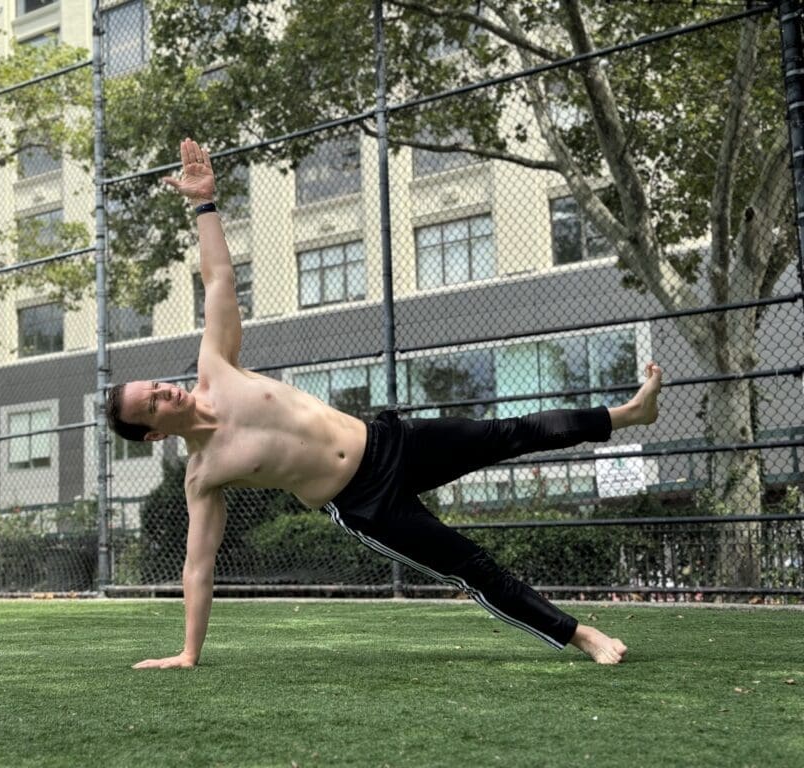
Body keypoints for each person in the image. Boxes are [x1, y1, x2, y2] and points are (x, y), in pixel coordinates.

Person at [107, 138, 662, 669]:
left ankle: (626, 414)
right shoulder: (203, 478)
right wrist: (188, 652)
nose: (163, 392)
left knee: (511, 431)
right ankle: (581, 634)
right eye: (151, 406)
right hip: (367, 503)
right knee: (467, 564)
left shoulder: (216, 367)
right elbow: (197, 568)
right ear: (154, 434)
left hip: (389, 441)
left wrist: (205, 202)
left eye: (154, 386)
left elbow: (218, 277)